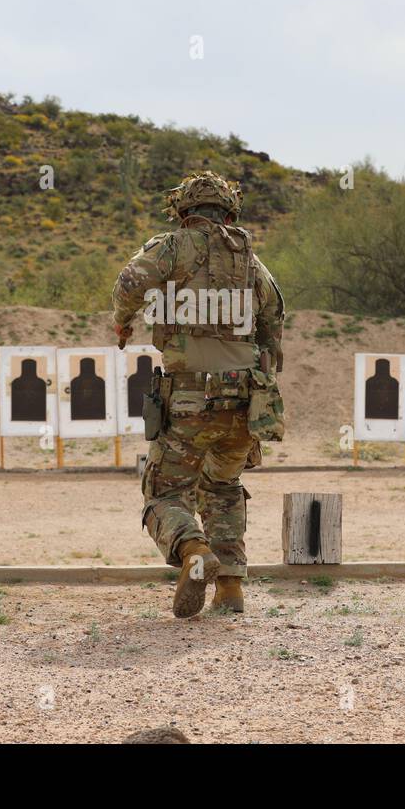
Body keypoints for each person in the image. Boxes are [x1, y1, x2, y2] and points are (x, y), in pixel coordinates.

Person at [112, 171, 285, 618]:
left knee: (165, 492)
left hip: (189, 398)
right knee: (224, 487)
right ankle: (230, 589)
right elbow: (273, 316)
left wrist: (123, 320)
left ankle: (193, 551)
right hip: (245, 400)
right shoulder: (250, 259)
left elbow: (129, 283)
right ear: (229, 212)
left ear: (183, 212)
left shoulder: (170, 247)